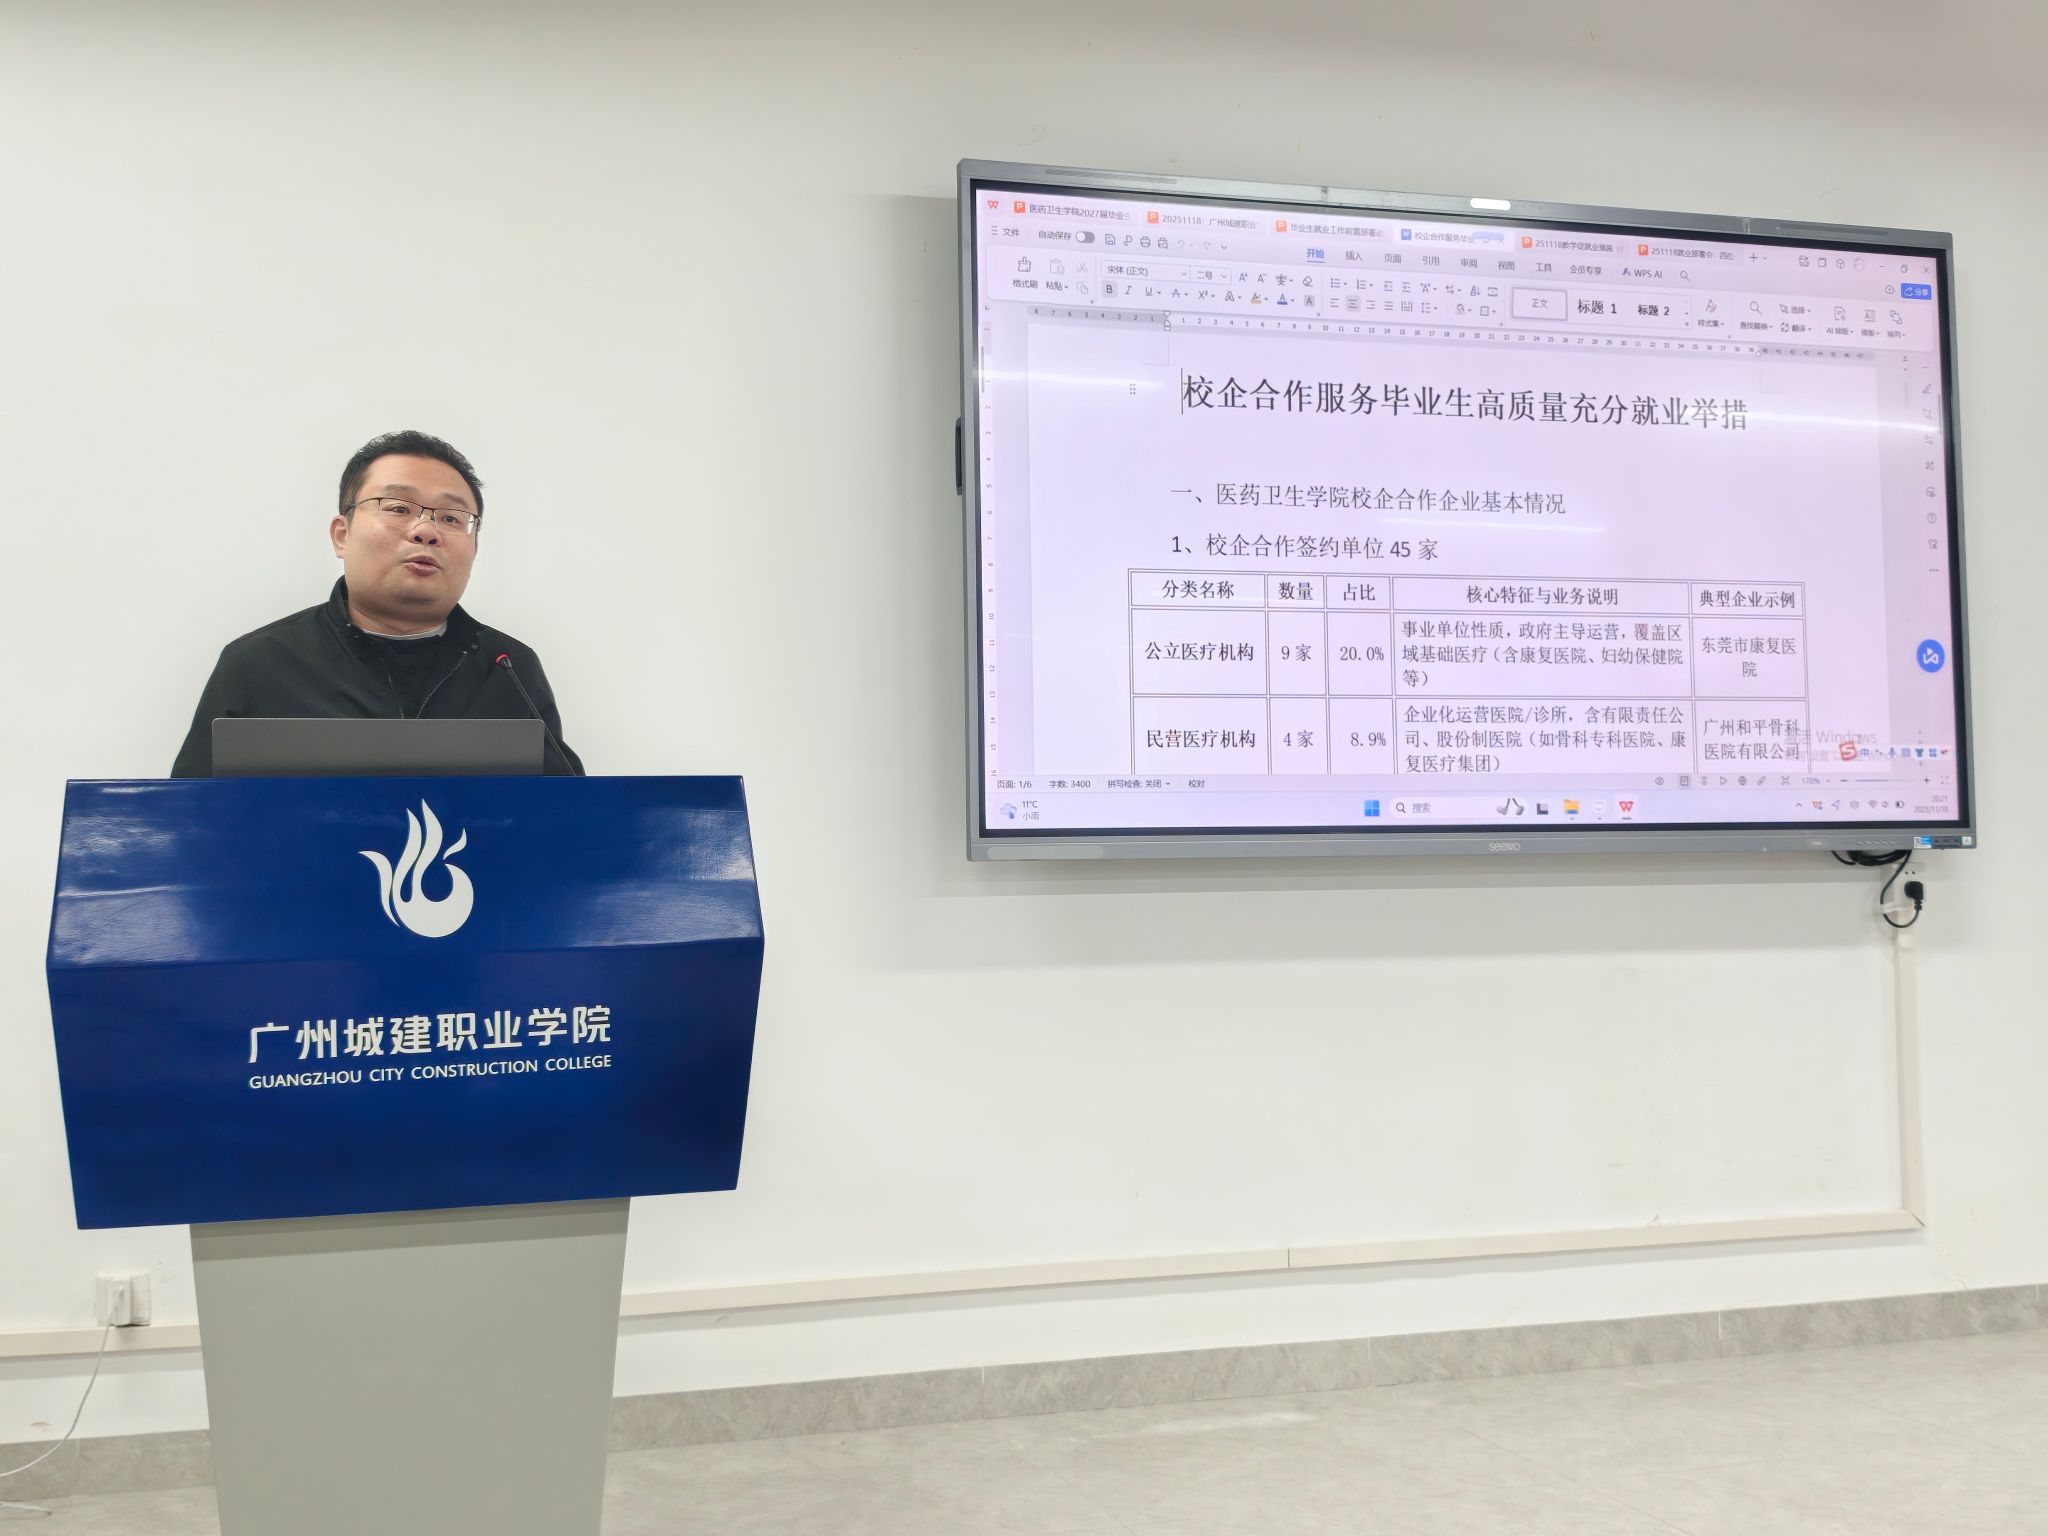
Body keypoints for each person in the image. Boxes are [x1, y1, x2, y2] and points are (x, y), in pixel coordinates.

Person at [171, 429, 583, 776]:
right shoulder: (259, 663)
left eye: (452, 518)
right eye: (398, 508)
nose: (426, 531)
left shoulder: (508, 668)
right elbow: (188, 822)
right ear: (342, 535)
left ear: (474, 549)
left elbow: (567, 819)